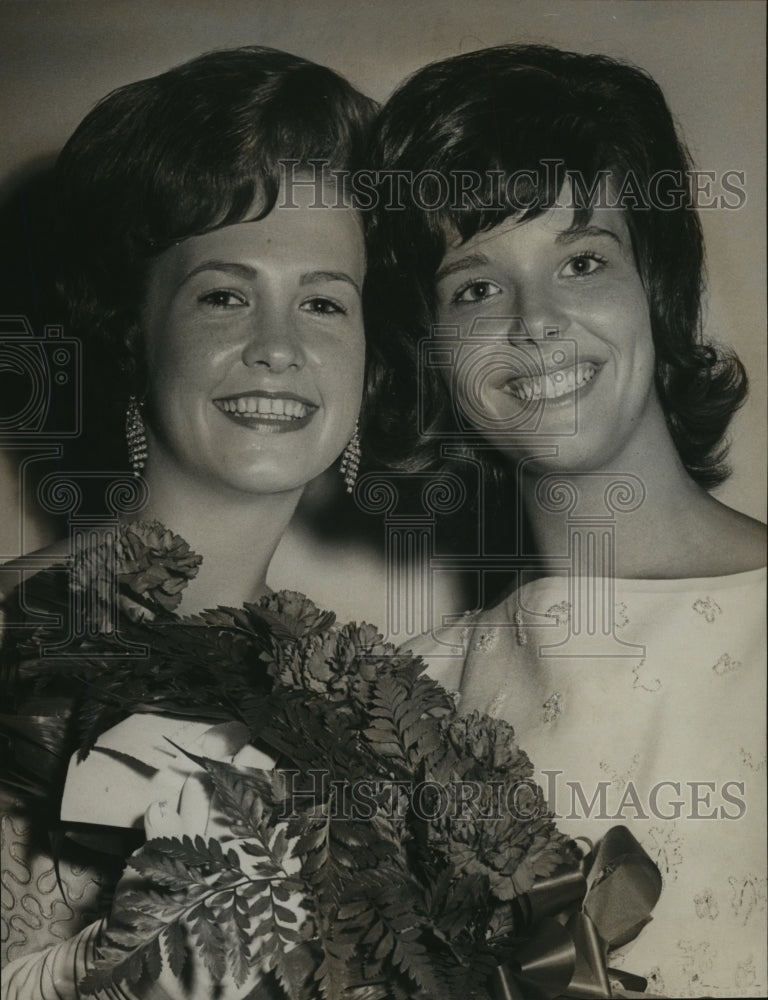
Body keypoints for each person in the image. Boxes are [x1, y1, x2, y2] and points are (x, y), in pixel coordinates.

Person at [366, 44, 767, 998]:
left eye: (582, 260)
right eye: (474, 285)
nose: (533, 320)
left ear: (656, 290)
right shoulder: (406, 693)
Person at [0, 44, 375, 998]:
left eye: (325, 302)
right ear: (135, 329)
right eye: (223, 295)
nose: (279, 347)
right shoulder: (17, 634)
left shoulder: (353, 704)